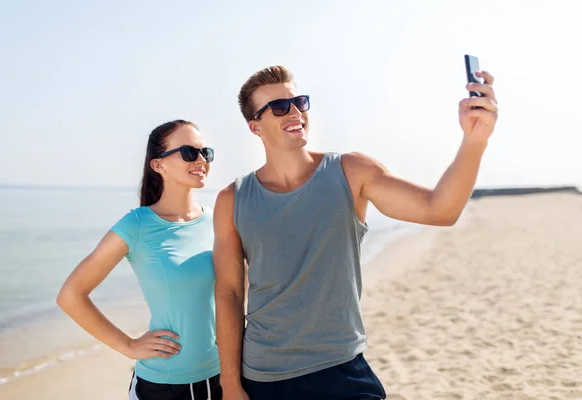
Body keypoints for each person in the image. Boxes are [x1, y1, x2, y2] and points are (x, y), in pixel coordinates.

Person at [213, 65, 498, 400]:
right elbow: (230, 293)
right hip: (264, 376)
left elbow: (440, 209)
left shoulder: (350, 172)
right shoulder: (232, 200)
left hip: (342, 369)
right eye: (279, 107)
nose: (294, 112)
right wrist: (230, 383)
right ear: (255, 126)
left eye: (299, 102)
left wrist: (475, 140)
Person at [57, 120, 222, 400]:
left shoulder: (218, 219)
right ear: (158, 165)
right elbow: (71, 295)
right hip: (165, 386)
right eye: (189, 153)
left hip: (222, 376)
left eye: (205, 152)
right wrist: (128, 345)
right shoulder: (138, 225)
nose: (201, 160)